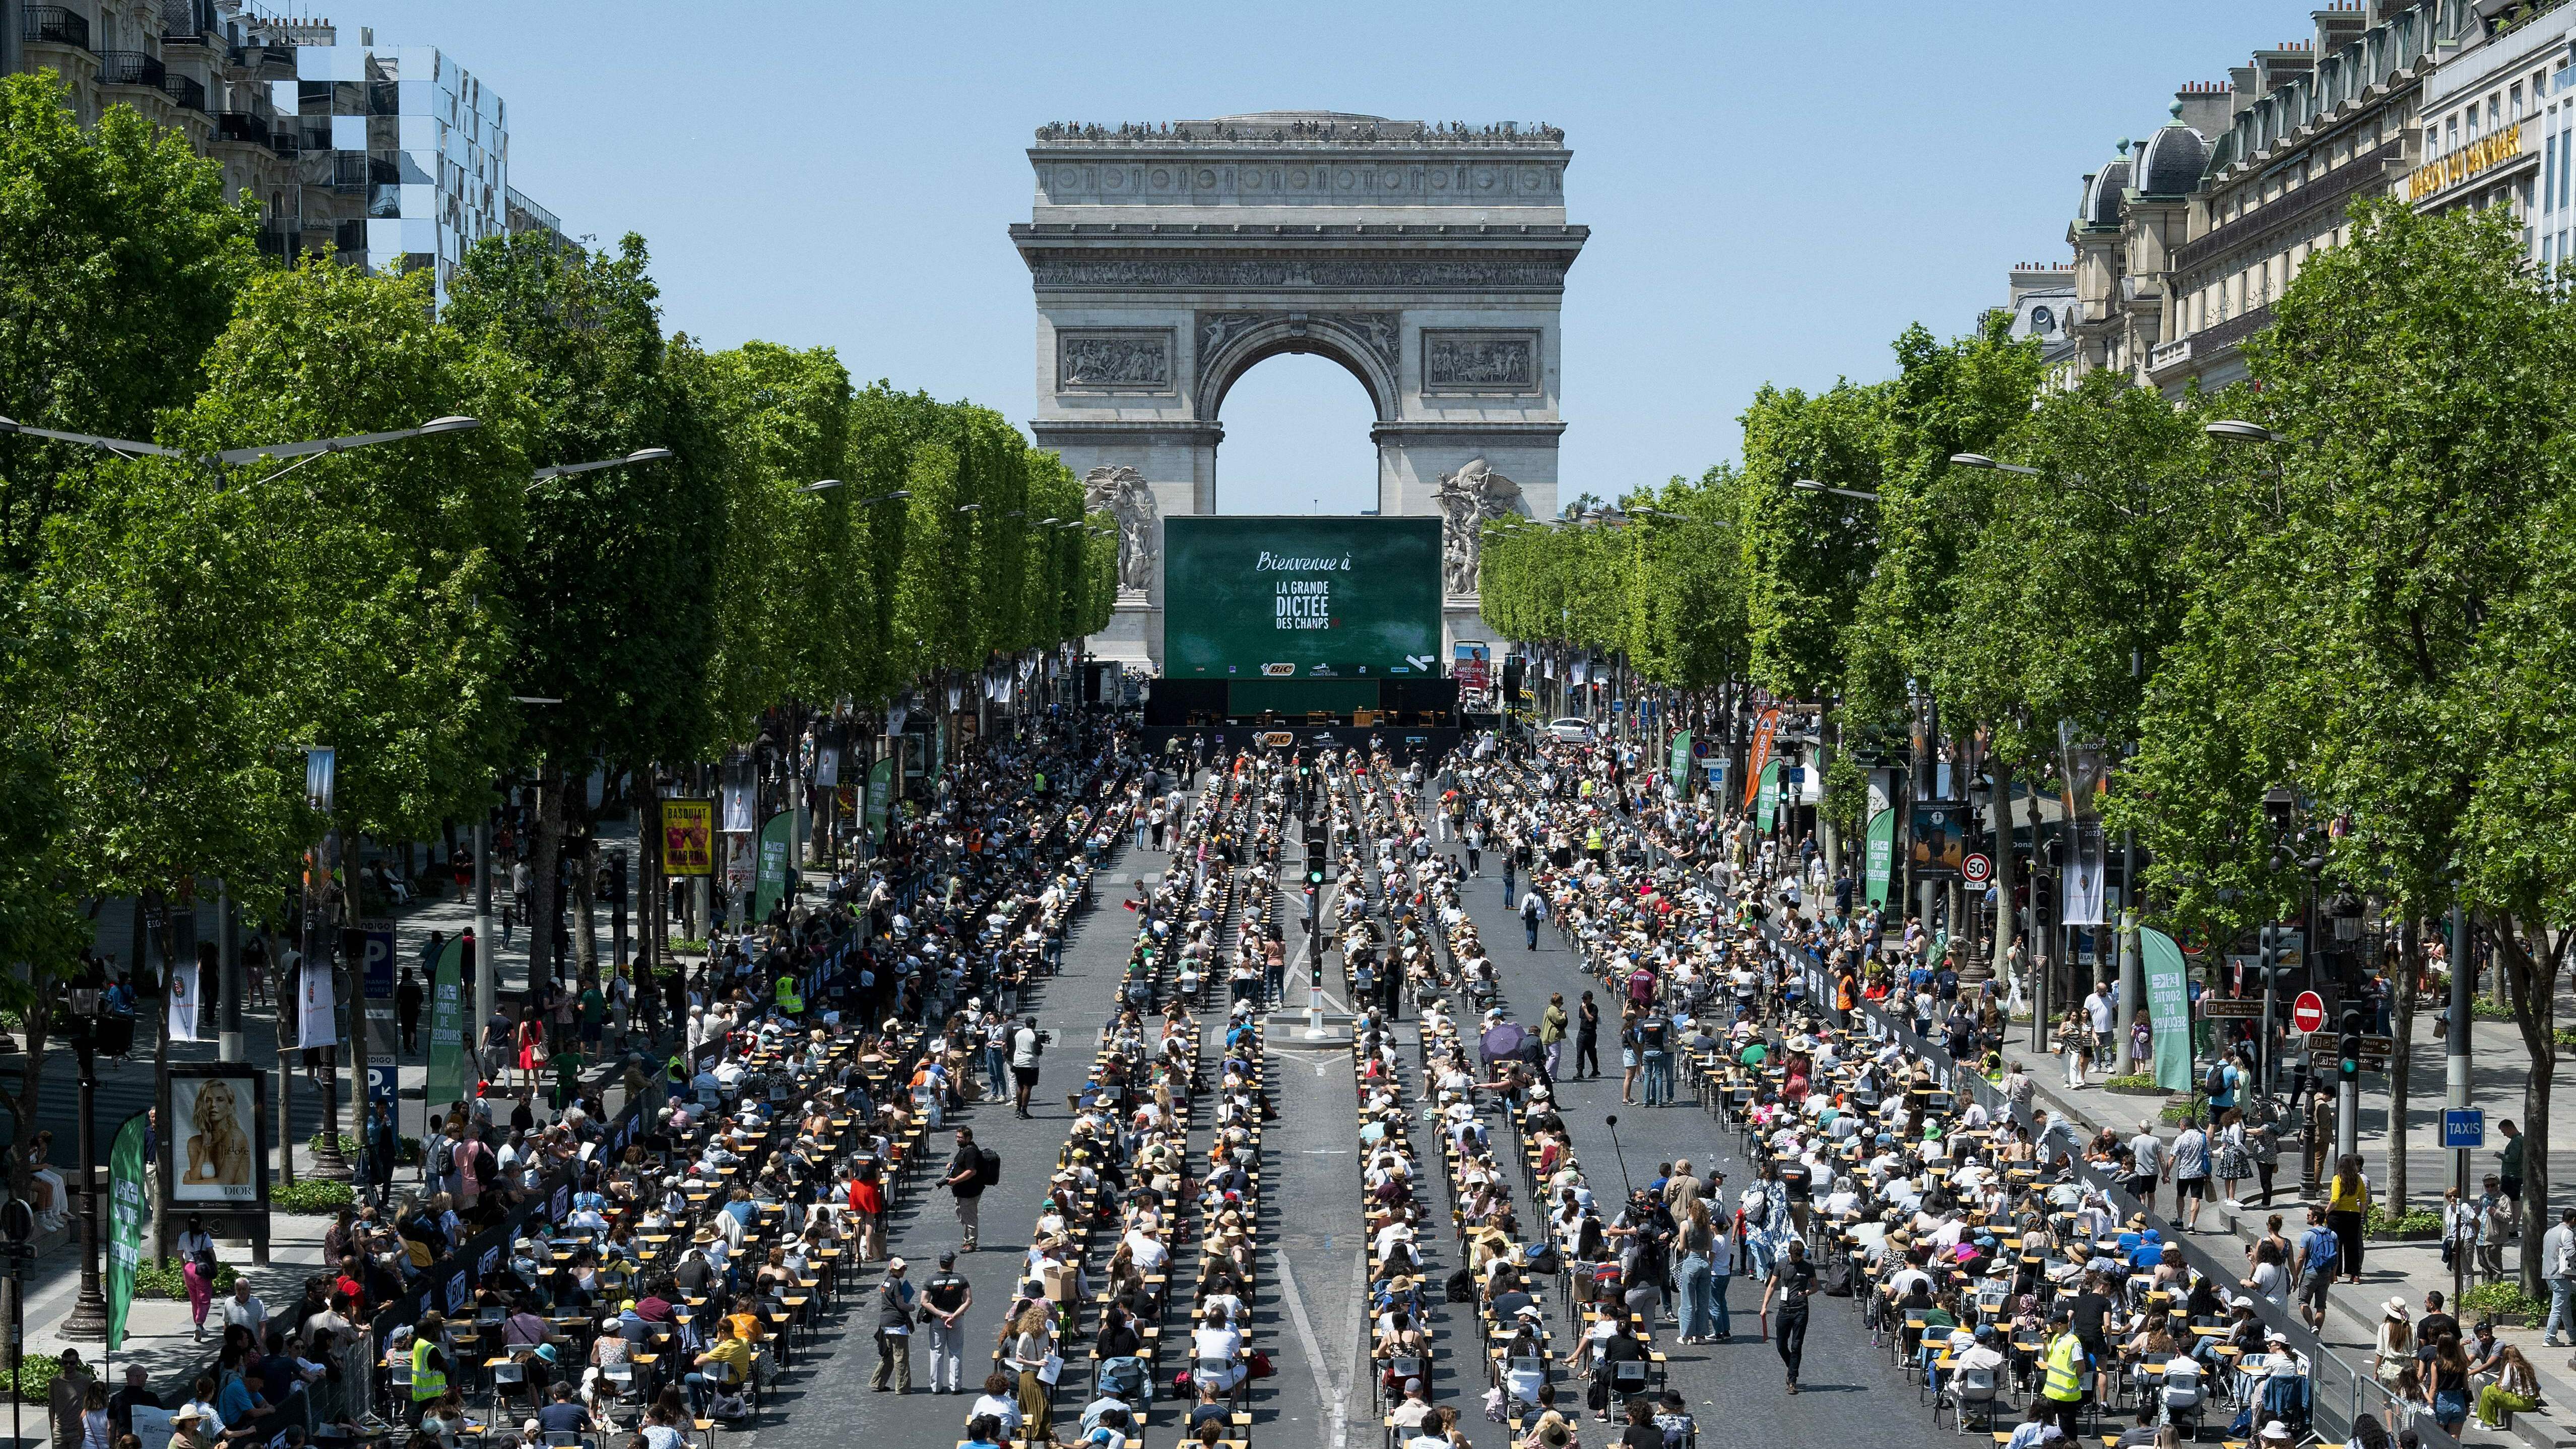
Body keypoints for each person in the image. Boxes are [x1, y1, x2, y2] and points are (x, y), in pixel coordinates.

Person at [1758, 1237, 1817, 1394]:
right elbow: (1771, 1286)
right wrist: (1764, 1306)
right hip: (1784, 1310)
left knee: (1796, 1346)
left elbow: (1816, 1286)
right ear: (1790, 1254)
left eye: (1801, 1256)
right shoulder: (1781, 1264)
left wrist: (1808, 1292)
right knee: (1780, 1345)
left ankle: (1792, 1381)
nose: (1800, 1259)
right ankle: (1792, 1366)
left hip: (1801, 1310)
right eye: (1797, 1256)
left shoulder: (1808, 1266)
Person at [923, 1250, 973, 1393]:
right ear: (952, 1264)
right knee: (956, 1352)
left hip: (938, 1320)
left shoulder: (931, 1280)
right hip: (956, 1320)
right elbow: (968, 1300)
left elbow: (924, 1302)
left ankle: (936, 1387)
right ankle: (956, 1386)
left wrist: (941, 1315)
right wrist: (954, 1316)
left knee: (937, 1352)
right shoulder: (961, 1279)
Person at [871, 1256, 917, 1391]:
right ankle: (902, 1387)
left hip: (885, 1323)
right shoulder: (897, 1283)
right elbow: (901, 1304)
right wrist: (912, 1307)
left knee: (889, 1354)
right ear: (893, 1270)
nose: (903, 1271)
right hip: (897, 1324)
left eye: (904, 1268)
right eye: (901, 1269)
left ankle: (878, 1382)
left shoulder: (886, 1282)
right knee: (901, 1356)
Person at [2293, 1205, 2341, 1332]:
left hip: (2310, 1272)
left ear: (2315, 1218)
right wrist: (2333, 1275)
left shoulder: (2307, 1235)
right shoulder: (2333, 1235)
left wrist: (2295, 1276)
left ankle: (2311, 1325)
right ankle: (2316, 1333)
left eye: (2309, 1216)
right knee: (2321, 1306)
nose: (2307, 1217)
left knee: (2303, 1302)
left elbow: (2301, 1258)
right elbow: (2336, 1258)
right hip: (2326, 1273)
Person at [2327, 1154, 2371, 1285]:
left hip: (2337, 1216)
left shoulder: (2337, 1179)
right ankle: (2355, 1275)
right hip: (2354, 1215)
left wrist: (2326, 1212)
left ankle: (2335, 1275)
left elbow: (2335, 1199)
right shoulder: (2358, 1180)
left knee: (2336, 1245)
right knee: (2353, 1245)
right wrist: (2360, 1214)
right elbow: (2364, 1200)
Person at [2476, 1343, 2541, 1427]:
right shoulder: (2525, 1365)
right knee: (2493, 1386)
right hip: (2530, 1401)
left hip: (2522, 1402)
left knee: (2488, 1391)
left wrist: (2499, 1386)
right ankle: (2490, 1419)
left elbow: (2505, 1386)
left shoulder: (2510, 1365)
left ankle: (2486, 1424)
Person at [946, 1128, 988, 1252]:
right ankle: (968, 1239)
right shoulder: (964, 1149)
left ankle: (971, 1242)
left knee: (969, 1216)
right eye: (957, 1137)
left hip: (970, 1191)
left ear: (968, 1138)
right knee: (962, 1214)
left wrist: (955, 1181)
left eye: (961, 1137)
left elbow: (971, 1171)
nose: (958, 1139)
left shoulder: (971, 1151)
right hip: (962, 1191)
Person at [176, 1215, 218, 1340]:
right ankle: (199, 1324)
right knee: (204, 1299)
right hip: (202, 1269)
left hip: (189, 1268)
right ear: (200, 1224)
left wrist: (184, 1268)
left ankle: (199, 1326)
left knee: (194, 1299)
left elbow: (179, 1254)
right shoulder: (205, 1236)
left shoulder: (183, 1236)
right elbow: (211, 1252)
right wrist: (216, 1266)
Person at [2544, 1205, 2576, 1347]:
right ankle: (2549, 1338)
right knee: (2558, 1308)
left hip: (2549, 1275)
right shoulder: (2567, 1233)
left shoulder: (2551, 1231)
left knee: (2565, 1306)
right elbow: (2571, 1254)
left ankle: (2573, 1335)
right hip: (2561, 1276)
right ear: (2573, 1220)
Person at [1009, 1016, 1045, 1118]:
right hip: (1030, 1063)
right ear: (1033, 1024)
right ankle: (1024, 1111)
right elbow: (1038, 1051)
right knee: (1027, 1087)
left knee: (1020, 1086)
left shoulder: (1019, 1033)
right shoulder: (1035, 1035)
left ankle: (1018, 1109)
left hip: (1018, 1062)